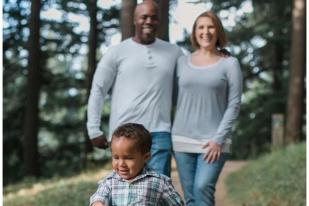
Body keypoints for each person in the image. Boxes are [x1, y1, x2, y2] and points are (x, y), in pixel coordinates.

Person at [87, 1, 182, 177]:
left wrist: (218, 54)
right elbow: (98, 90)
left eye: (154, 17)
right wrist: (93, 128)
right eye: (144, 17)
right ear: (134, 19)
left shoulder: (174, 52)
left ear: (159, 20)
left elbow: (187, 88)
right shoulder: (116, 52)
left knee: (156, 189)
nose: (149, 21)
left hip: (159, 133)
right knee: (126, 192)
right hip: (123, 132)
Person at [171, 11, 243, 206]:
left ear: (218, 31)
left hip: (214, 142)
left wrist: (218, 140)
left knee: (203, 188)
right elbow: (175, 97)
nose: (206, 32)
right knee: (190, 197)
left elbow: (234, 103)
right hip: (182, 139)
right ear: (194, 33)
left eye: (210, 27)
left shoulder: (229, 64)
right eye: (201, 27)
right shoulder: (181, 62)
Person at [89, 123, 184, 206]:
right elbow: (99, 196)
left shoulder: (158, 183)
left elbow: (177, 203)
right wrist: (98, 203)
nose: (121, 163)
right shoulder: (109, 181)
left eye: (128, 158)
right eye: (116, 157)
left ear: (146, 157)